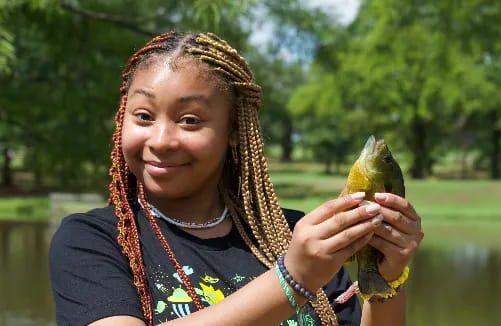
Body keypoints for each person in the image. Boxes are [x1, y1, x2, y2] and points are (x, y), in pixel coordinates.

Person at [49, 31, 423, 326]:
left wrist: (388, 279)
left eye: (190, 120)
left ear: (233, 131)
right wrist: (292, 280)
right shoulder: (94, 240)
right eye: (143, 116)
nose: (161, 141)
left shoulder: (295, 236)